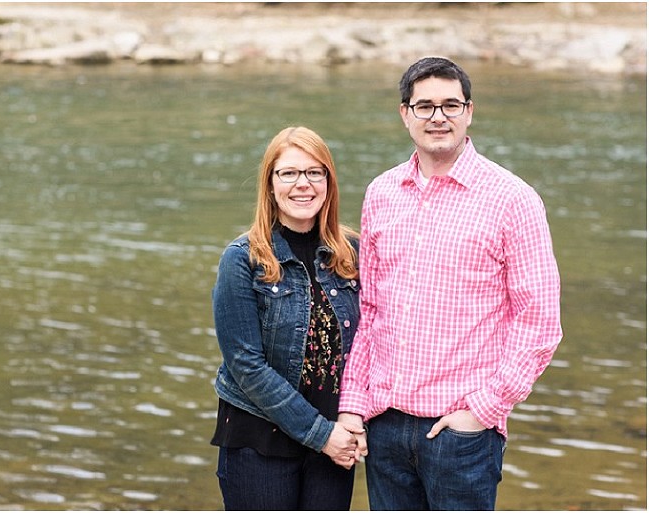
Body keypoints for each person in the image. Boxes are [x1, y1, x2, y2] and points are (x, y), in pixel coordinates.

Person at [338, 57, 563, 510]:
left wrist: (484, 409)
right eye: (424, 106)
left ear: (469, 111)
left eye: (450, 104)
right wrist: (352, 404)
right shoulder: (382, 193)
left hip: (460, 433)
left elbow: (539, 321)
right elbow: (371, 311)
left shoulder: (512, 199)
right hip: (385, 424)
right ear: (406, 114)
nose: (437, 116)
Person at [211, 126, 366, 510]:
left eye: (315, 173)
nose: (303, 184)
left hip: (333, 446)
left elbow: (373, 342)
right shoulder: (242, 259)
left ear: (329, 182)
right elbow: (246, 365)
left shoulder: (352, 254)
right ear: (270, 184)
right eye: (289, 173)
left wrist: (355, 418)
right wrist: (321, 433)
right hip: (259, 443)